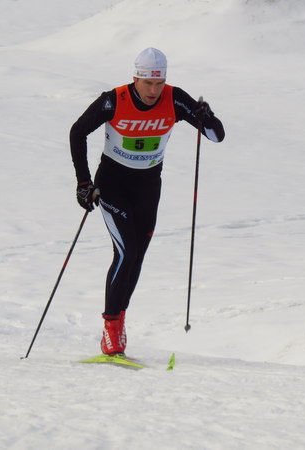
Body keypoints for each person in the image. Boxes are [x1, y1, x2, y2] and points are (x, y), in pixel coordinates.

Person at [69, 47, 225, 356]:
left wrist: (207, 116)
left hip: (148, 188)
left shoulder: (175, 98)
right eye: (148, 83)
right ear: (136, 78)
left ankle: (120, 319)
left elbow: (216, 136)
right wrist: (84, 183)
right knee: (126, 252)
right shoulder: (114, 100)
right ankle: (111, 330)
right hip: (112, 185)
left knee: (137, 256)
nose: (154, 91)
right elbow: (77, 132)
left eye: (159, 83)